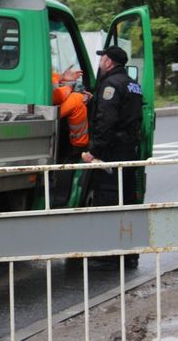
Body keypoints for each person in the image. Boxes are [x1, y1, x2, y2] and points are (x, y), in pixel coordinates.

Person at [82, 45, 143, 267]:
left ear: (109, 62)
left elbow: (107, 121)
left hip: (112, 151)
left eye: (102, 59)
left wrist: (93, 151)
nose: (100, 63)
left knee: (108, 198)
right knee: (127, 200)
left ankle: (109, 253)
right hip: (129, 149)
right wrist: (94, 101)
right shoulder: (132, 84)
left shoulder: (110, 84)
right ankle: (129, 253)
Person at [52, 65, 90, 151]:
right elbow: (56, 95)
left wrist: (61, 77)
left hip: (40, 105)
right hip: (43, 108)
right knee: (78, 100)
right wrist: (69, 87)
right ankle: (79, 147)